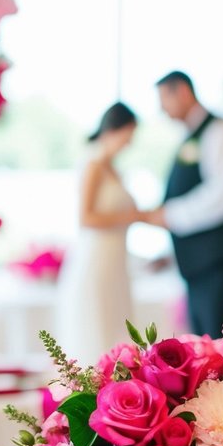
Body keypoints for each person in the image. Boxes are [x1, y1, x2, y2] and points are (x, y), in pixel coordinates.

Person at [140, 71, 223, 336]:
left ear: (183, 91)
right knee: (205, 358)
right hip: (203, 271)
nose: (162, 110)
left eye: (165, 99)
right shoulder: (192, 137)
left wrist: (169, 215)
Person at [55, 102, 139, 362]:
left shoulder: (112, 167)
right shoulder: (93, 164)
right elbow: (86, 217)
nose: (129, 142)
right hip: (98, 258)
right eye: (129, 134)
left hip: (116, 260)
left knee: (116, 323)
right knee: (97, 327)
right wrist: (131, 217)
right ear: (116, 129)